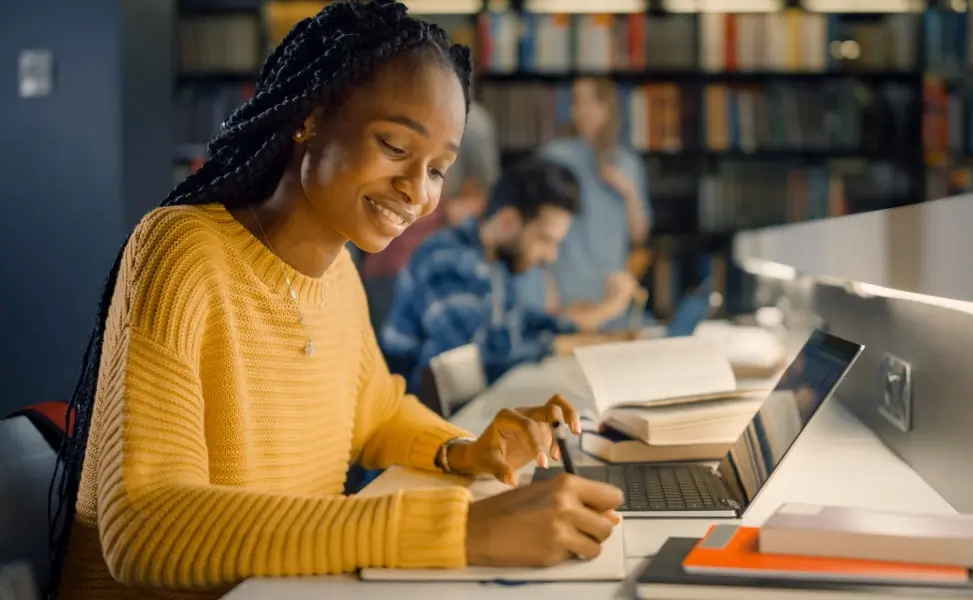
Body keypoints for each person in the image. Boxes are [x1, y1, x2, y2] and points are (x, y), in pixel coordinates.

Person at [48, 3, 623, 599]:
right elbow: (145, 527)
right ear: (310, 119)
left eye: (438, 169)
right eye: (396, 147)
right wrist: (458, 529)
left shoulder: (340, 272)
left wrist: (463, 451)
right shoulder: (181, 251)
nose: (418, 192)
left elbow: (374, 413)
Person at [379, 158, 638, 389]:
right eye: (545, 240)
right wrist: (573, 343)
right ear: (508, 221)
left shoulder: (492, 263)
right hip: (417, 418)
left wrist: (595, 322)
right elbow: (476, 358)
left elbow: (518, 323)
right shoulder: (447, 260)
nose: (551, 256)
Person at [514, 77, 652, 326]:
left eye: (590, 101)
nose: (580, 110)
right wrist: (545, 283)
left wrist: (628, 193)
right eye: (576, 102)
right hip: (568, 290)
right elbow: (533, 227)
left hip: (612, 292)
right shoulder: (555, 156)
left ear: (607, 107)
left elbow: (639, 235)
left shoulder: (628, 164)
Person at [360, 93, 499, 330]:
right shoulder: (471, 121)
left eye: (437, 169)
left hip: (418, 262)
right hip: (392, 263)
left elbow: (483, 197)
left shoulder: (472, 123)